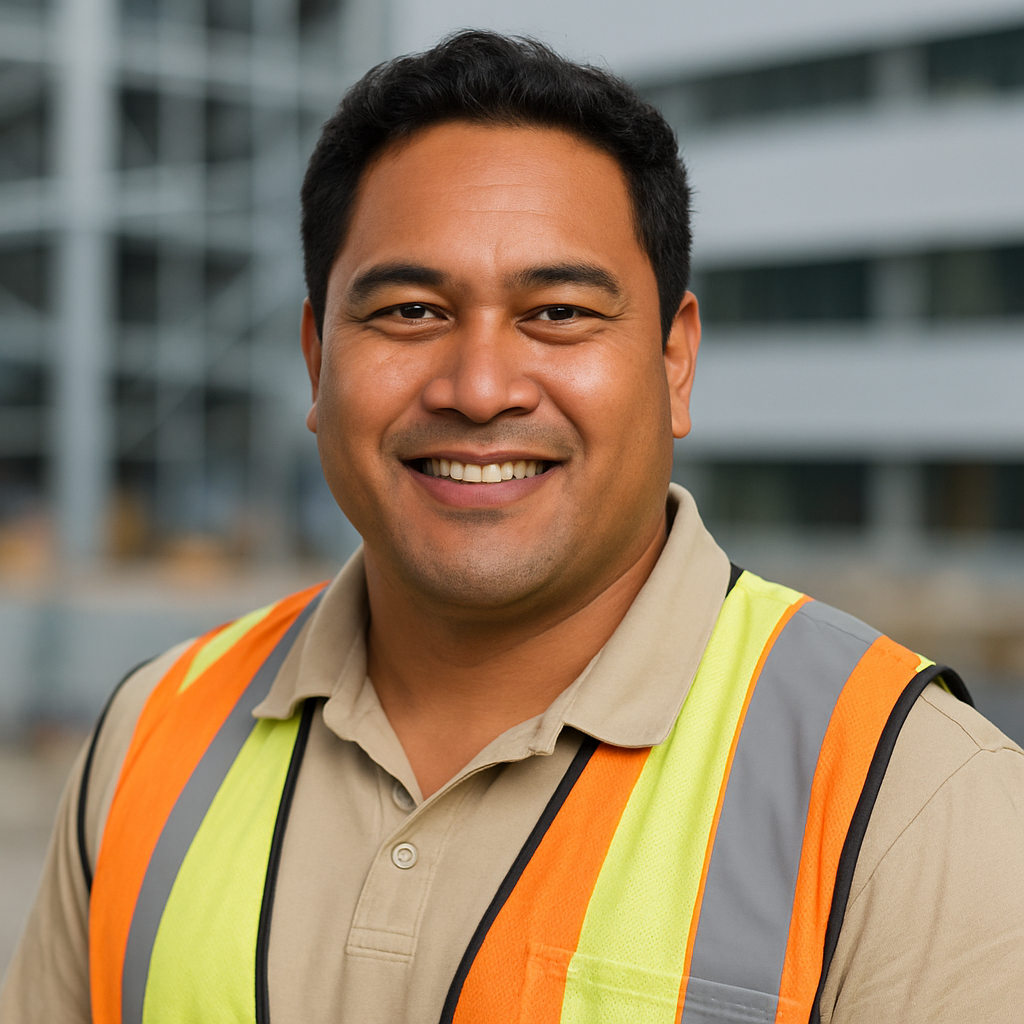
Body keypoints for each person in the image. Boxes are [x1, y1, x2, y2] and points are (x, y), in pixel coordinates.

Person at [2, 30, 1022, 1024]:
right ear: (316, 360)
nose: (479, 388)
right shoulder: (150, 735)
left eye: (559, 314)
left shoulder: (918, 800)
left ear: (674, 361)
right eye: (408, 311)